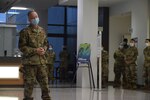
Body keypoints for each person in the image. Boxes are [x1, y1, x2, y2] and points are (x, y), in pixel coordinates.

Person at [18, 10, 51, 100]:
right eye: (33, 18)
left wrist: (44, 49)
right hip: (30, 64)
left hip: (41, 62)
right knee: (29, 86)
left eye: (36, 17)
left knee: (45, 85)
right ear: (29, 19)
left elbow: (46, 44)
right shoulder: (25, 32)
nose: (35, 19)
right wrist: (35, 50)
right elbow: (22, 47)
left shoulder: (42, 31)